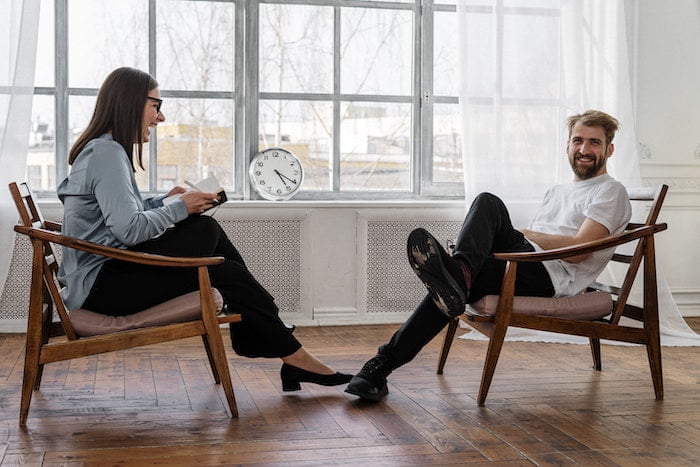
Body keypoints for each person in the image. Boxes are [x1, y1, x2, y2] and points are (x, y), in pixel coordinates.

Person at [57, 67, 352, 391]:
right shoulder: (107, 153)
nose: (161, 116)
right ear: (131, 102)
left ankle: (289, 353)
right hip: (102, 289)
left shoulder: (103, 150)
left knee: (222, 265)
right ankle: (280, 338)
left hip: (104, 276)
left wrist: (162, 202)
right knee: (205, 231)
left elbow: (114, 218)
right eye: (156, 105)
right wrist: (181, 207)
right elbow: (128, 231)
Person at [345, 110, 632, 401]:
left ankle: (386, 358)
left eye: (594, 143)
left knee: (487, 205)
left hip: (551, 277)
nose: (584, 150)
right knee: (454, 284)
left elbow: (578, 253)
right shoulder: (557, 190)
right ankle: (379, 370)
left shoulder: (610, 191)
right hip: (524, 263)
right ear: (567, 145)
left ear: (609, 149)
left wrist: (527, 235)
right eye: (578, 141)